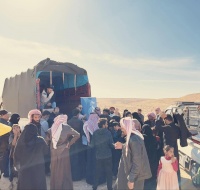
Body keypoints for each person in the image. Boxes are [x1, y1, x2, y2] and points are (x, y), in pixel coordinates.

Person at [114, 117, 152, 190]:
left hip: (135, 178)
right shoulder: (132, 138)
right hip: (131, 176)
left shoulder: (135, 140)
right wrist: (123, 146)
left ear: (126, 127)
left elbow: (137, 162)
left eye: (122, 126)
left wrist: (131, 180)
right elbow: (131, 150)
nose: (120, 128)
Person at [46, 114, 80, 190]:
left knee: (55, 170)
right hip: (64, 151)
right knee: (64, 170)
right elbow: (77, 135)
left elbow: (47, 140)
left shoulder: (52, 128)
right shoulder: (66, 127)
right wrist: (69, 143)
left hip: (54, 151)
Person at [14, 120, 48, 190]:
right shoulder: (40, 140)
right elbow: (46, 152)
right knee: (38, 183)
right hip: (38, 166)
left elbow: (16, 154)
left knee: (25, 183)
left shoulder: (21, 141)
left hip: (24, 167)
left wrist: (17, 165)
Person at [90, 118, 114, 190]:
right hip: (108, 155)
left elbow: (92, 145)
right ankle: (109, 188)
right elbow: (111, 144)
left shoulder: (95, 133)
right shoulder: (108, 132)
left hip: (98, 156)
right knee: (109, 173)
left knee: (97, 172)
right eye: (106, 124)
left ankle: (95, 187)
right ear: (103, 125)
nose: (107, 125)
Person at [68, 108, 86, 181]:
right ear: (78, 114)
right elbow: (82, 132)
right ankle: (78, 176)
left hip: (71, 143)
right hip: (78, 143)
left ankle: (72, 176)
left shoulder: (68, 121)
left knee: (72, 159)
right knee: (78, 159)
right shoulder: (80, 122)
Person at [162, 114, 181, 183]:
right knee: (176, 169)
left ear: (166, 120)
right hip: (175, 150)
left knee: (169, 170)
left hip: (169, 153)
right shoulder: (176, 127)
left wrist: (161, 116)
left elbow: (158, 127)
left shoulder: (167, 127)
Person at [142, 124, 158, 190]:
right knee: (153, 178)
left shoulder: (143, 138)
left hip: (146, 161)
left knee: (146, 180)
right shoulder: (154, 138)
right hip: (154, 161)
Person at [0, 110, 11, 177]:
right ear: (2, 115)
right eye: (7, 114)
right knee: (4, 159)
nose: (8, 116)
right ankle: (5, 172)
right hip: (3, 144)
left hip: (3, 144)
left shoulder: (5, 122)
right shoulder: (3, 123)